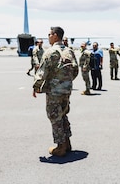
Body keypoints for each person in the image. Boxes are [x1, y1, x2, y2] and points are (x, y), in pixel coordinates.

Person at [33, 26, 79, 157]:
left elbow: (42, 72)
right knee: (63, 114)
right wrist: (66, 82)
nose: (48, 37)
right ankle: (67, 142)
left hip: (54, 91)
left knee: (54, 116)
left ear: (55, 35)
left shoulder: (50, 52)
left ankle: (60, 146)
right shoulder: (69, 51)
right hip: (66, 89)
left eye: (49, 34)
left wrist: (36, 87)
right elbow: (75, 69)